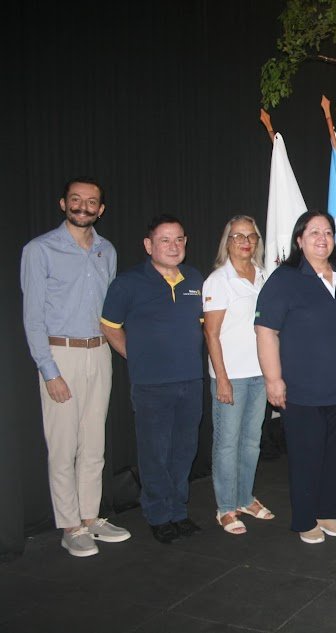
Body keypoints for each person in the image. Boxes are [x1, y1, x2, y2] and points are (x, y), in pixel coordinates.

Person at [20, 177, 130, 557]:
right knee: (63, 445)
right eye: (76, 199)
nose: (83, 206)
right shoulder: (40, 250)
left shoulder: (106, 250)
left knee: (94, 442)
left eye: (91, 201)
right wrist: (49, 371)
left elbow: (110, 312)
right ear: (63, 203)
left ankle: (90, 517)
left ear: (101, 209)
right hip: (60, 354)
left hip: (99, 353)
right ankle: (70, 526)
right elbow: (33, 317)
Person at [101, 214, 205, 544]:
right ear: (149, 245)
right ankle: (159, 514)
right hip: (151, 385)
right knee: (155, 453)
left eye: (179, 239)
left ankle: (178, 510)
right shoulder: (128, 283)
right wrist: (137, 356)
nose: (173, 246)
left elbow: (204, 326)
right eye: (164, 240)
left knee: (184, 451)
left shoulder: (195, 279)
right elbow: (109, 326)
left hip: (191, 381)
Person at [255, 211, 336, 545]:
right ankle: (304, 518)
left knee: (335, 455)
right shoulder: (285, 278)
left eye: (328, 232)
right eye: (314, 232)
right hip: (301, 389)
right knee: (306, 456)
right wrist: (273, 379)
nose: (322, 239)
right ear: (299, 239)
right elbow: (266, 331)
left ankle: (328, 512)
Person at [203, 215, 273, 536]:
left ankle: (244, 498)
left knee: (251, 442)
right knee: (227, 444)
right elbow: (211, 334)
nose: (245, 242)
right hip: (231, 376)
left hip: (261, 373)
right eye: (238, 236)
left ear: (257, 241)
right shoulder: (219, 280)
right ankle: (226, 508)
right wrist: (222, 378)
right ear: (227, 242)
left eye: (251, 236)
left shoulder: (263, 275)